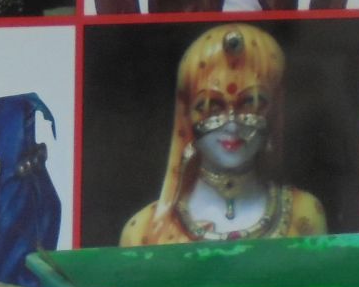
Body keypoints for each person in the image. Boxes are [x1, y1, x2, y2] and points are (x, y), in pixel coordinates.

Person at [121, 23, 327, 246]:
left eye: (251, 103)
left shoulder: (304, 216)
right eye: (212, 106)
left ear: (274, 114)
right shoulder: (145, 231)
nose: (232, 124)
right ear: (187, 117)